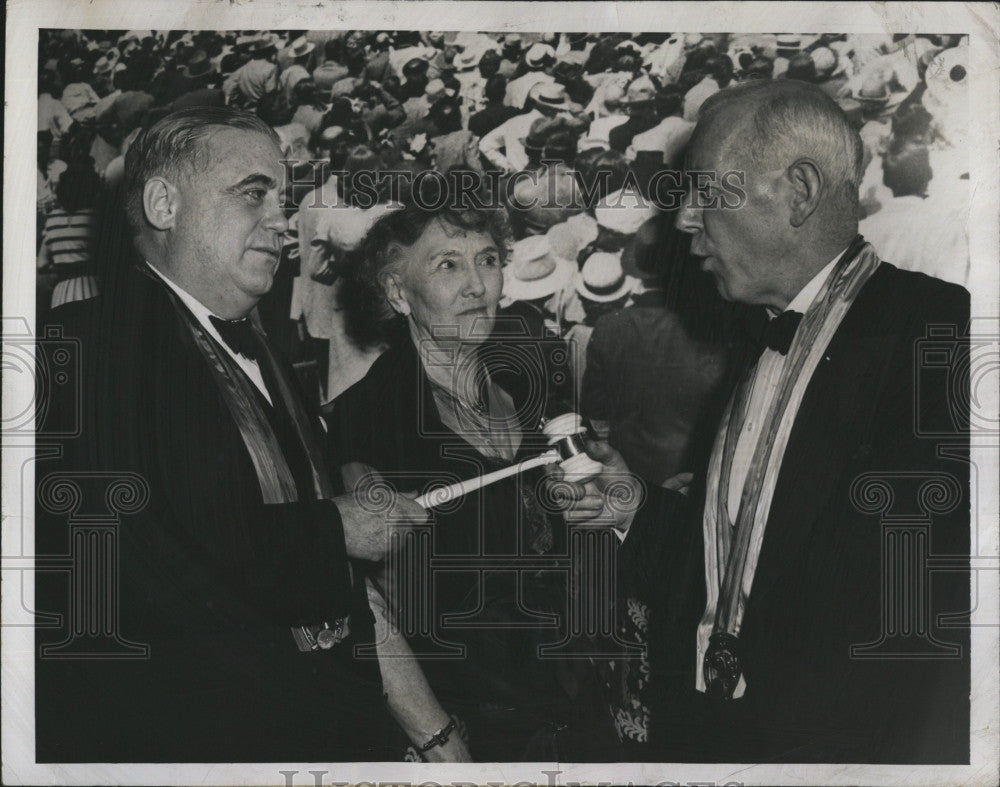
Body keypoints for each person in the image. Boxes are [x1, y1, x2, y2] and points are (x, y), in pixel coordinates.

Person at [560, 79, 970, 762]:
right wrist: (633, 505)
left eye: (705, 193)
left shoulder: (940, 336)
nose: (686, 220)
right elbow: (743, 564)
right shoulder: (755, 342)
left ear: (801, 192)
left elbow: (927, 627)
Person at [36, 107, 428, 763]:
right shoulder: (86, 347)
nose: (282, 221)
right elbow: (134, 576)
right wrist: (334, 527)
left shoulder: (263, 344)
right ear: (163, 203)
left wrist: (345, 480)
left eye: (285, 198)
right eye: (254, 194)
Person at [327, 196, 617, 762]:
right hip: (470, 718)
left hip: (574, 690)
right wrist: (434, 734)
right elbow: (371, 600)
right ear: (396, 293)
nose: (477, 286)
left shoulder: (527, 378)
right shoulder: (365, 421)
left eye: (486, 260)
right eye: (447, 265)